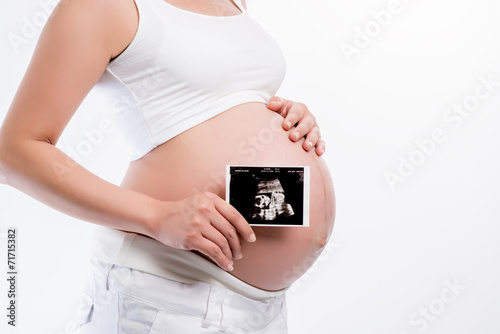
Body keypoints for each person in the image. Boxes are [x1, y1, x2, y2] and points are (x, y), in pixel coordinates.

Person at [0, 0, 336, 332]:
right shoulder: (102, 6)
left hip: (262, 307)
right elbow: (13, 152)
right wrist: (156, 216)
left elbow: (219, 98)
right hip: (167, 296)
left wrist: (284, 116)